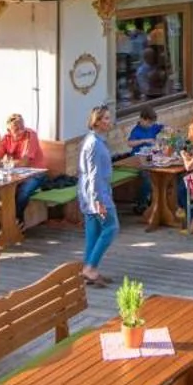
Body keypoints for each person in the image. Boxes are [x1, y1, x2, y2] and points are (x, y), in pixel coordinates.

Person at [76, 105, 117, 286]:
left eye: (109, 118)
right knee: (111, 227)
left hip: (90, 194)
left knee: (93, 232)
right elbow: (94, 175)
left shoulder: (94, 141)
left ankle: (88, 269)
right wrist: (98, 201)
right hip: (96, 194)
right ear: (97, 122)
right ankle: (90, 267)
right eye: (106, 119)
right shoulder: (93, 144)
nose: (109, 122)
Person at [0, 112, 46, 212]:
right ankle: (4, 218)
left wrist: (2, 164)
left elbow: (24, 162)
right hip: (15, 174)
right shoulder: (6, 138)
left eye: (22, 127)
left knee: (23, 192)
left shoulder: (31, 135)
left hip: (36, 173)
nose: (21, 131)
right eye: (16, 129)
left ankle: (17, 219)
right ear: (9, 130)